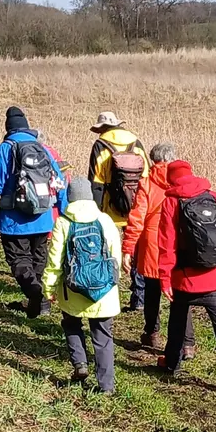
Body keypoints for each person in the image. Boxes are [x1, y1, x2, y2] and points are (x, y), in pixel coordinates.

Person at [152, 158, 216, 391]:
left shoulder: (172, 201)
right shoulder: (213, 196)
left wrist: (165, 278)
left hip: (185, 277)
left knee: (178, 319)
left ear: (170, 178)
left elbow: (166, 244)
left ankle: (172, 363)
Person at [40, 178, 125, 395]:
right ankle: (106, 386)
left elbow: (55, 261)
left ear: (70, 197)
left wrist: (49, 288)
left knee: (71, 324)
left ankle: (80, 364)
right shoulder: (105, 220)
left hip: (73, 289)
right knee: (103, 337)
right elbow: (115, 256)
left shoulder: (63, 222)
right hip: (104, 289)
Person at [0, 106, 68, 319]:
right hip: (42, 218)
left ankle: (34, 294)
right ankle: (39, 301)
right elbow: (59, 182)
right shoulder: (41, 148)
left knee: (19, 260)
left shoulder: (5, 149)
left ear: (8, 128)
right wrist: (63, 210)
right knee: (39, 258)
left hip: (14, 220)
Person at [86, 112, 151, 310]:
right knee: (138, 253)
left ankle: (105, 292)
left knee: (107, 251)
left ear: (102, 128)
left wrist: (94, 212)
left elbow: (95, 182)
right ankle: (139, 298)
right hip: (137, 207)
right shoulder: (136, 143)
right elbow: (147, 177)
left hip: (109, 209)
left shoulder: (100, 145)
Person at [121, 141, 177, 349]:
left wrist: (128, 248)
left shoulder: (146, 183)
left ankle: (152, 333)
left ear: (152, 160)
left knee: (152, 291)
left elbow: (137, 219)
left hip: (152, 243)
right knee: (179, 293)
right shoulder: (180, 182)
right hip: (176, 244)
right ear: (172, 159)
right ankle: (186, 342)